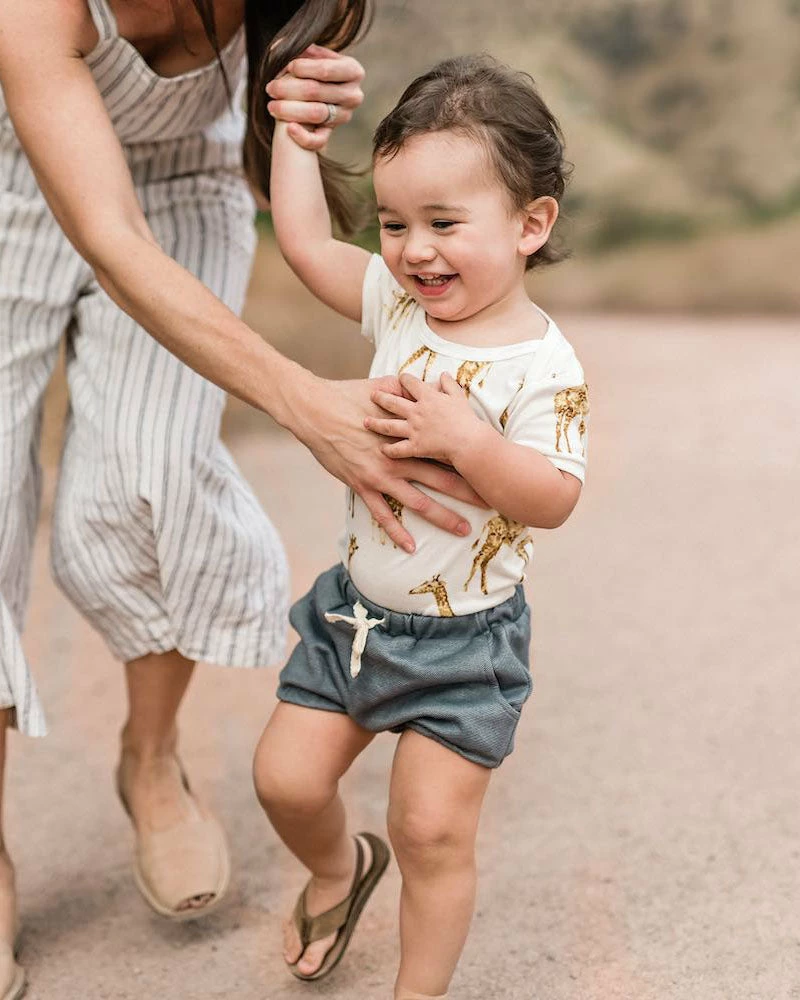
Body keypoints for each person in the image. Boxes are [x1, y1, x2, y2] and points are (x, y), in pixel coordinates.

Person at [0, 2, 482, 996]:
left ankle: (149, 757)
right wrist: (304, 402)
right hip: (21, 190)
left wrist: (301, 125)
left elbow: (282, 170)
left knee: (158, 474)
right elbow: (108, 237)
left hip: (185, 191)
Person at [254, 53, 590, 998]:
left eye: (445, 224)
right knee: (284, 781)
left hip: (463, 646)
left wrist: (469, 443)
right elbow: (309, 246)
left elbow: (554, 498)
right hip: (353, 619)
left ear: (530, 225)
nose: (414, 249)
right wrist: (294, 140)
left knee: (431, 831)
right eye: (396, 223)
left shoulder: (544, 366)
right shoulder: (399, 306)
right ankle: (335, 868)